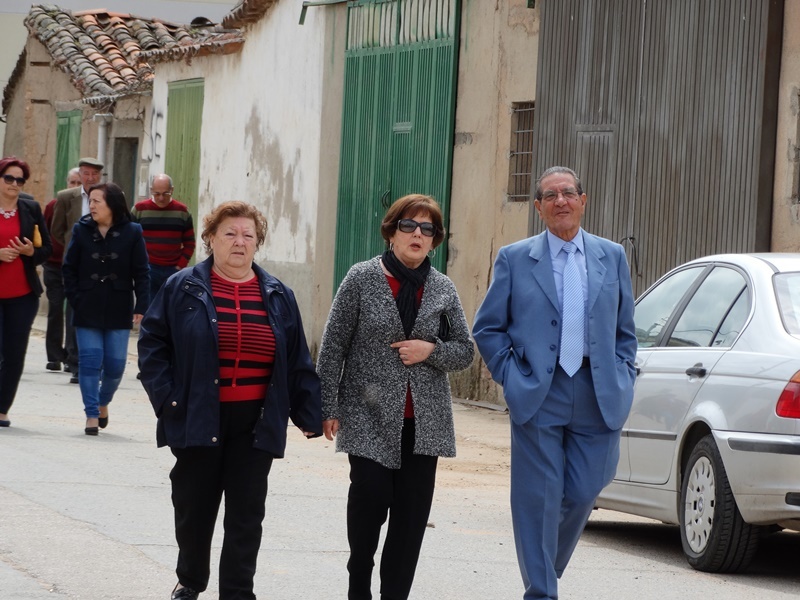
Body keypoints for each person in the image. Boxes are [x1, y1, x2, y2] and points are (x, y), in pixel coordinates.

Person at [137, 201, 321, 600]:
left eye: (248, 235)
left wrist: (310, 412)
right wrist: (168, 400)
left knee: (246, 513)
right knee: (194, 505)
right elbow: (152, 345)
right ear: (210, 238)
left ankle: (238, 592)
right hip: (198, 412)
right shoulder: (182, 287)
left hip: (256, 420)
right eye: (230, 234)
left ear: (258, 243)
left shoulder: (278, 294)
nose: (239, 242)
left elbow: (296, 359)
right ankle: (190, 580)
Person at [472, 166, 637, 600]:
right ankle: (542, 591)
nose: (560, 200)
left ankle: (544, 565)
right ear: (539, 207)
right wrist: (511, 376)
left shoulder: (612, 256)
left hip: (598, 389)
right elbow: (487, 328)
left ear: (583, 200)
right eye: (550, 195)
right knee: (537, 498)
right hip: (538, 390)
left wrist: (625, 371)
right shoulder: (515, 258)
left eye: (568, 193)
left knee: (585, 489)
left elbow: (626, 331)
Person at [316, 194, 474, 600]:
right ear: (391, 231)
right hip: (366, 413)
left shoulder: (442, 287)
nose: (417, 234)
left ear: (435, 240)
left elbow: (465, 351)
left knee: (410, 519)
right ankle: (359, 581)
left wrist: (429, 350)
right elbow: (333, 346)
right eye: (409, 225)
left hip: (424, 423)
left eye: (427, 229)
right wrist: (327, 405)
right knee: (370, 499)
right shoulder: (361, 277)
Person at [62, 182, 149, 436]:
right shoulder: (81, 229)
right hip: (86, 304)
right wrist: (76, 298)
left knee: (115, 365)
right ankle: (91, 414)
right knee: (90, 362)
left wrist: (142, 304)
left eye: (97, 201)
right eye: (90, 201)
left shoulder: (133, 231)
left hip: (119, 305)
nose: (91, 205)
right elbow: (69, 268)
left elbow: (142, 272)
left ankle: (102, 403)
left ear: (112, 204)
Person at [0, 156, 52, 428]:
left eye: (20, 180)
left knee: (14, 354)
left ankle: (2, 409)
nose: (15, 184)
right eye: (9, 178)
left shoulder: (31, 208)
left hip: (23, 295)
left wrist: (31, 252)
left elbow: (47, 249)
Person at [52, 157, 104, 382]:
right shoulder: (66, 197)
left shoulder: (111, 195)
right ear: (80, 175)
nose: (90, 178)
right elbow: (57, 230)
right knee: (75, 312)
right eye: (86, 173)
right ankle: (75, 364)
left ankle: (96, 363)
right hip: (75, 264)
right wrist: (73, 248)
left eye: (95, 174)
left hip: (103, 264)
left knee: (100, 313)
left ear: (100, 176)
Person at [131, 173, 196, 299]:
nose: (161, 198)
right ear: (151, 190)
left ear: (172, 190)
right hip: (148, 268)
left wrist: (180, 266)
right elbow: (130, 240)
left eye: (165, 193)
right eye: (157, 194)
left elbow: (190, 243)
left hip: (173, 270)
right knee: (148, 307)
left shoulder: (182, 212)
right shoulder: (139, 210)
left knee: (171, 307)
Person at [43, 167, 81, 372]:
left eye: (78, 183)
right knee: (56, 309)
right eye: (72, 182)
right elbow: (48, 231)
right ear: (66, 183)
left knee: (73, 310)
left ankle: (71, 355)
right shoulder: (54, 204)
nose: (75, 186)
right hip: (54, 265)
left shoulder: (86, 205)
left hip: (74, 267)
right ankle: (54, 355)